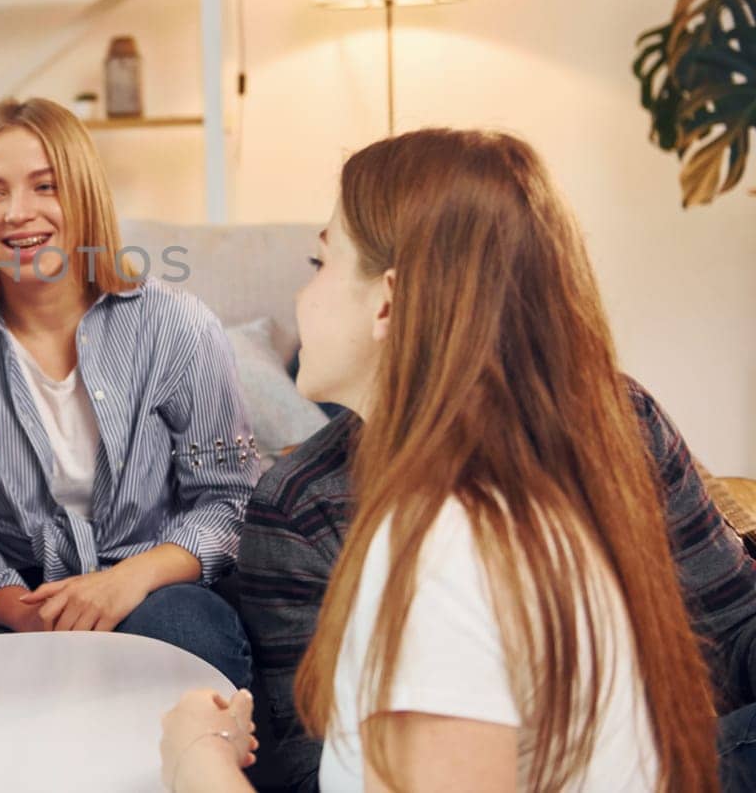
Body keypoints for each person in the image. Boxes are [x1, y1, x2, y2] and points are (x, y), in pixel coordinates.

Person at [162, 128, 720, 792]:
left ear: (388, 301)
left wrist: (199, 760)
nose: (300, 298)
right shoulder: (531, 503)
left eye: (321, 264)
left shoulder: (445, 550)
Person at [0, 98, 257, 686]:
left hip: (153, 584)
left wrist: (128, 580)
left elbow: (230, 503)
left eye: (46, 186)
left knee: (186, 633)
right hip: (15, 598)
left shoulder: (176, 325)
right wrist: (18, 608)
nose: (18, 213)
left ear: (85, 194)